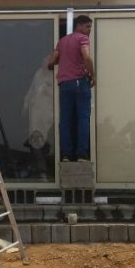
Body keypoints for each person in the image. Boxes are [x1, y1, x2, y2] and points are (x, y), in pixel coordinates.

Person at [48, 15, 95, 162]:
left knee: (65, 120)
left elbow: (51, 62)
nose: (89, 30)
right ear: (79, 26)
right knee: (83, 118)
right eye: (87, 27)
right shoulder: (82, 38)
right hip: (79, 81)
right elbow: (86, 57)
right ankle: (81, 154)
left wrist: (64, 62)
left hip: (65, 84)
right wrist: (93, 75)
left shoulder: (62, 41)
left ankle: (66, 154)